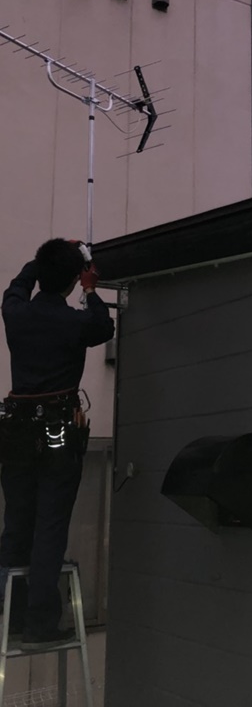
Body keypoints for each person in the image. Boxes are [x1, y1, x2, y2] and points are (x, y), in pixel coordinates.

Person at [0, 238, 114, 649]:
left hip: (16, 432)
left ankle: (11, 617)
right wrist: (90, 288)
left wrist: (40, 261)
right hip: (57, 434)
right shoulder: (75, 323)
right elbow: (104, 326)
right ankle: (41, 623)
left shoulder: (16, 313)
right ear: (72, 279)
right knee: (49, 525)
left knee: (17, 521)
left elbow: (15, 287)